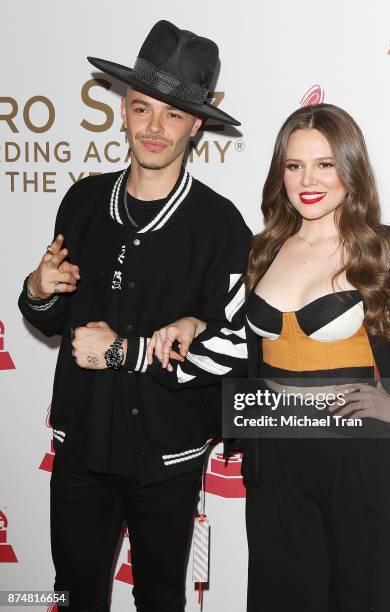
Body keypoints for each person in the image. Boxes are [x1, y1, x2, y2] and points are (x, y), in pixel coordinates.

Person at [151, 103, 390, 611]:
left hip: (363, 455)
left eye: (325, 164)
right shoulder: (261, 250)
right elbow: (240, 335)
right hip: (276, 452)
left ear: (351, 168)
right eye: (294, 165)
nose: (308, 179)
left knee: (372, 598)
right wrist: (194, 324)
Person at [18, 20, 251, 612]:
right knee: (74, 595)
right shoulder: (83, 201)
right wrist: (38, 288)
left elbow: (234, 349)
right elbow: (50, 320)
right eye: (143, 108)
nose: (154, 127)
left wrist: (129, 346)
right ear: (123, 109)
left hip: (167, 454)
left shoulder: (221, 227)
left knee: (158, 597)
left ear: (196, 125)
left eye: (172, 115)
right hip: (82, 448)